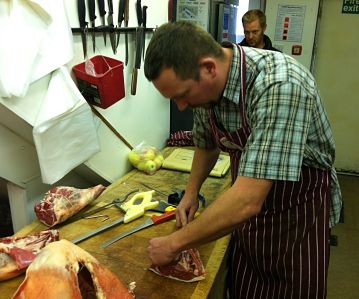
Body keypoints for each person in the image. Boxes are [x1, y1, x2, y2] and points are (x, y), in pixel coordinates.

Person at [144, 21, 342, 298]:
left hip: (297, 211)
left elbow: (248, 201)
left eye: (183, 95)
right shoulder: (206, 92)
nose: (181, 106)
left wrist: (173, 244)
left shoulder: (280, 85)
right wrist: (191, 192)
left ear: (208, 67)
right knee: (243, 287)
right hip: (250, 207)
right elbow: (206, 144)